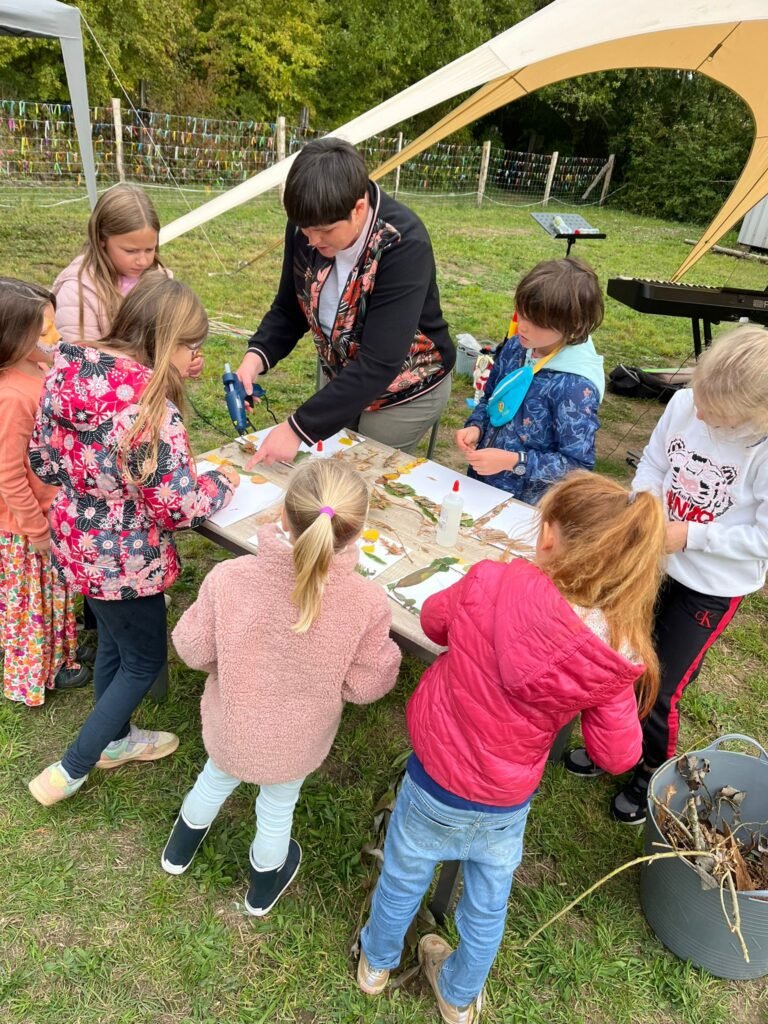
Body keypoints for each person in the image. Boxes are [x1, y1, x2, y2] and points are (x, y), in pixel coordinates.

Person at [357, 471, 666, 1023]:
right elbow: (619, 756)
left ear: (547, 535)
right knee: (486, 906)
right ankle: (457, 996)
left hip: (434, 778)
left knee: (403, 874)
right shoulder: (613, 655)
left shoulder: (492, 580)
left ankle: (376, 964)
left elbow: (433, 620)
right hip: (505, 801)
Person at [26, 274, 238, 806]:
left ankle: (117, 739)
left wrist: (97, 483)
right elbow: (178, 506)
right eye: (192, 347)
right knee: (142, 662)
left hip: (76, 537)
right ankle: (72, 767)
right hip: (127, 559)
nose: (196, 359)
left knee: (115, 643)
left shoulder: (67, 372)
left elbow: (43, 462)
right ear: (166, 342)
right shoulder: (150, 411)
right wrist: (221, 483)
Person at [161, 459, 401, 916]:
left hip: (232, 725)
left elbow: (192, 647)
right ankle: (261, 890)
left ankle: (178, 851)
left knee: (214, 779)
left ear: (284, 516)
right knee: (277, 808)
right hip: (298, 739)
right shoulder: (367, 602)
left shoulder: (230, 577)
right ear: (357, 531)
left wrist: (229, 667)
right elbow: (366, 684)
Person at [565, 325, 768, 824]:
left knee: (660, 683)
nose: (699, 414)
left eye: (716, 413)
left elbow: (762, 537)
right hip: (654, 562)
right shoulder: (684, 403)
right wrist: (649, 508)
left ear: (756, 415)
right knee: (618, 656)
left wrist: (692, 536)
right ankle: (611, 745)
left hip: (711, 586)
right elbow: (654, 465)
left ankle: (650, 771)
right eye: (699, 398)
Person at [236, 137, 455, 465]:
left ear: (359, 209)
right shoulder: (310, 222)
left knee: (357, 475)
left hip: (405, 387)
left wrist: (297, 428)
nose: (312, 240)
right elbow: (289, 309)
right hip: (345, 379)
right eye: (305, 229)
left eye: (324, 230)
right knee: (325, 470)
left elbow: (379, 363)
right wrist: (256, 357)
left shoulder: (403, 243)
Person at [0, 278, 87, 705]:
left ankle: (61, 654)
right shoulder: (12, 397)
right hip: (26, 526)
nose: (55, 335)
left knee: (54, 593)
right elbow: (8, 475)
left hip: (52, 509)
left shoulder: (35, 366)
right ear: (12, 337)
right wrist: (36, 529)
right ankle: (32, 673)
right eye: (46, 329)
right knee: (32, 604)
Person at [455, 258, 605, 505]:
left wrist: (513, 461)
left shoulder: (576, 387)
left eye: (537, 322)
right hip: (481, 485)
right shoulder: (517, 346)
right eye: (521, 314)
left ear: (574, 326)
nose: (523, 327)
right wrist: (476, 427)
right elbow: (490, 398)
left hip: (528, 506)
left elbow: (577, 466)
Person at [52, 183, 204, 377]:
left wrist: (189, 355)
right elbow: (80, 363)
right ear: (101, 239)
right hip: (107, 391)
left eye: (149, 249)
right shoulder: (78, 291)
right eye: (130, 251)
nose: (143, 260)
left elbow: (178, 334)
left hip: (154, 390)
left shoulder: (159, 280)